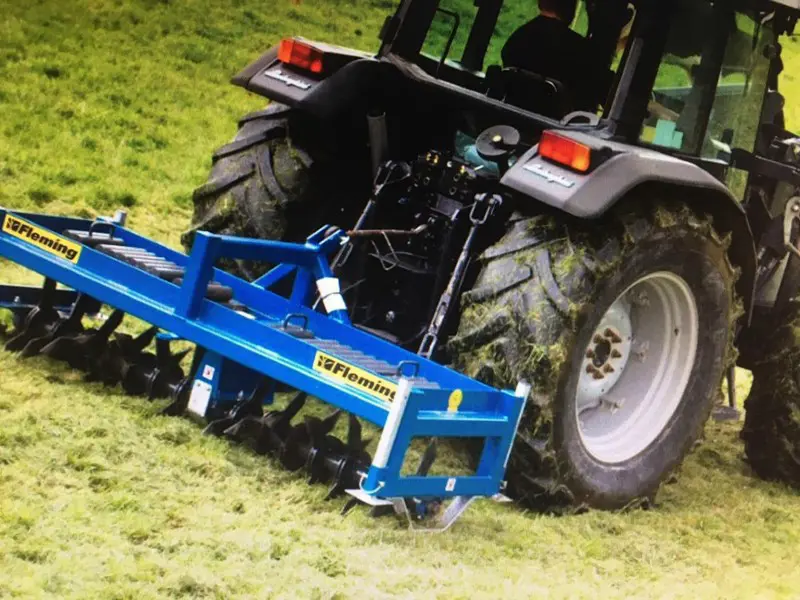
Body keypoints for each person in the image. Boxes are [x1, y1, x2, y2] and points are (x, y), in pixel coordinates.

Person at [501, 0, 599, 112]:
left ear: (541, 3)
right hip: (554, 124)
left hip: (509, 116)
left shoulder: (516, 39)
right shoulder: (579, 49)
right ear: (570, 6)